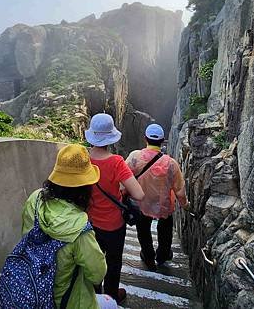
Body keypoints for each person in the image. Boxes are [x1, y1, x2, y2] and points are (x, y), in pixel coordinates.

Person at [21, 144, 118, 309]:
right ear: (85, 187)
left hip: (31, 291)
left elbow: (25, 235)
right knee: (111, 303)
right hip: (68, 301)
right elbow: (97, 274)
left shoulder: (35, 199)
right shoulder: (79, 228)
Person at [85, 113, 145, 304]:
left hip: (88, 224)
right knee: (113, 262)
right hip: (113, 225)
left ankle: (94, 296)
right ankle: (110, 298)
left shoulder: (84, 160)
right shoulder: (116, 162)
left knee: (93, 262)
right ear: (111, 137)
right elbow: (139, 194)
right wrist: (120, 187)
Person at [126, 123, 189, 270]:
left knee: (143, 230)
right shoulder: (171, 164)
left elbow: (124, 178)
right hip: (163, 204)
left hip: (141, 203)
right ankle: (163, 254)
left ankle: (148, 256)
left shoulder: (134, 157)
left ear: (145, 139)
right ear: (162, 141)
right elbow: (179, 190)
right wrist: (185, 205)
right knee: (165, 229)